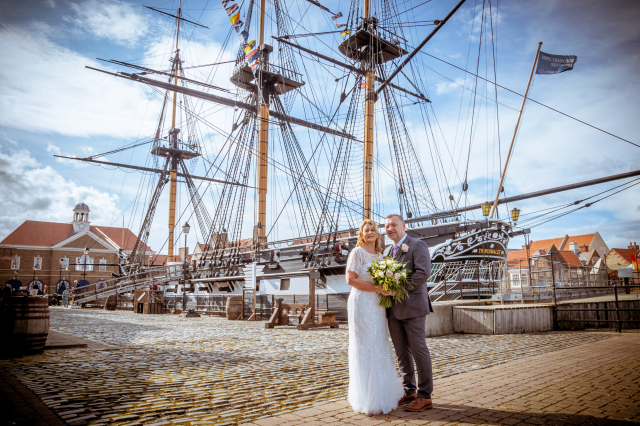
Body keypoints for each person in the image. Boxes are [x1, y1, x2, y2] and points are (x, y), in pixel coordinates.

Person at [345, 219, 403, 415]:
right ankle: (366, 397)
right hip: (361, 303)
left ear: (378, 234)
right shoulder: (357, 253)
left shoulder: (380, 256)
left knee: (379, 343)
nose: (370, 232)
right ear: (362, 234)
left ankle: (381, 394)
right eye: (366, 230)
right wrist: (378, 288)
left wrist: (390, 287)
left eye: (373, 230)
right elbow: (351, 279)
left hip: (377, 305)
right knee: (364, 345)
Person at [383, 214, 434, 412]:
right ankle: (409, 390)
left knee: (419, 350)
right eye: (387, 226)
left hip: (413, 307)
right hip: (393, 310)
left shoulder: (417, 245)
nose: (390, 229)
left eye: (393, 225)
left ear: (403, 226)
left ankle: (424, 395)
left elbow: (423, 273)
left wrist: (398, 289)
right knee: (402, 353)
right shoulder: (387, 250)